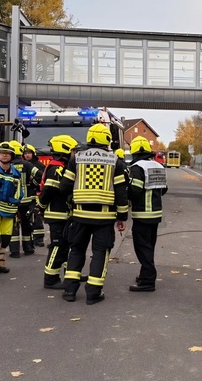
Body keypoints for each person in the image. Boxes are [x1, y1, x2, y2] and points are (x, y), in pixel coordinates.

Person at [59, 123, 129, 304]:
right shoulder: (115, 161)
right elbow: (121, 193)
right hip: (104, 219)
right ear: (107, 139)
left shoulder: (76, 158)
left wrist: (72, 201)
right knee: (100, 253)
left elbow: (64, 186)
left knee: (76, 250)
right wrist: (122, 217)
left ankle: (69, 291)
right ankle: (93, 293)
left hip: (80, 215)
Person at [126, 136, 168, 292]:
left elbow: (135, 191)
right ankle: (145, 275)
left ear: (135, 152)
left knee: (142, 248)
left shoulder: (137, 168)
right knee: (149, 247)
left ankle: (148, 281)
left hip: (142, 214)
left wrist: (126, 193)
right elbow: (164, 189)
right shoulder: (159, 166)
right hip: (156, 214)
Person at [38, 135, 78, 289]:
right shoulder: (57, 168)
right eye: (73, 150)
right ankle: (51, 278)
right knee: (57, 246)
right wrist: (40, 205)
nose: (74, 154)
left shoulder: (63, 166)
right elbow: (48, 191)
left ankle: (70, 274)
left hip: (64, 214)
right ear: (65, 149)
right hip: (57, 214)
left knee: (66, 245)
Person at [0, 142, 23, 278]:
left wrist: (17, 202)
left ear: (12, 156)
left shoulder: (16, 173)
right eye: (2, 153)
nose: (4, 155)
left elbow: (20, 191)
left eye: (7, 153)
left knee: (6, 238)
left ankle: (0, 264)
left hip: (10, 210)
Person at [8, 141, 40, 258]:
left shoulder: (7, 165)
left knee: (13, 226)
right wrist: (32, 183)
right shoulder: (27, 164)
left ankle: (14, 251)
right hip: (27, 201)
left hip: (12, 201)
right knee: (27, 225)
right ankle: (28, 249)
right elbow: (40, 174)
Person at [23, 144, 47, 248]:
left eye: (29, 153)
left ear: (33, 154)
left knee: (37, 216)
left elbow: (43, 179)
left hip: (37, 193)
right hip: (25, 193)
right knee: (27, 218)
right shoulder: (22, 164)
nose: (27, 155)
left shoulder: (39, 165)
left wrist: (34, 181)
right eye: (25, 153)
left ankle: (39, 238)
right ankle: (30, 238)